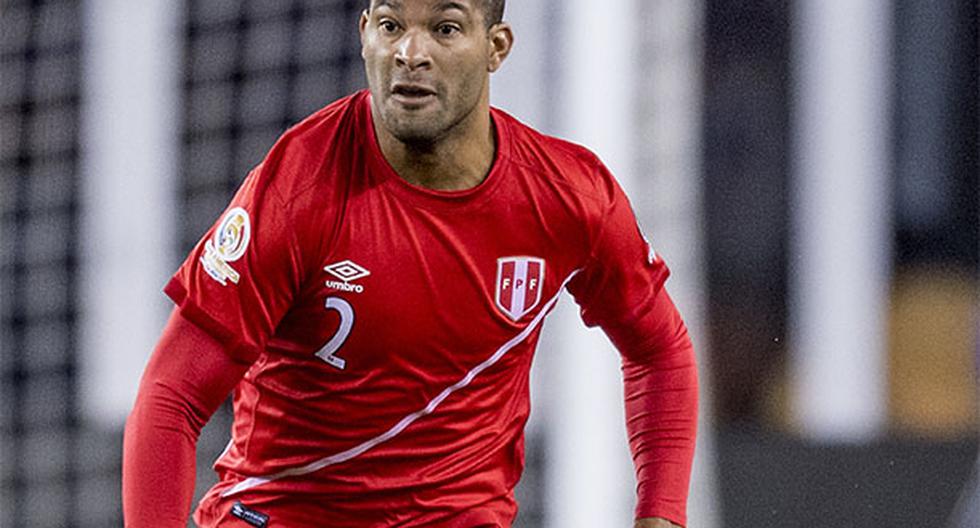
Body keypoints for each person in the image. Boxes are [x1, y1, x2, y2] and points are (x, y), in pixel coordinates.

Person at [122, 1, 698, 526]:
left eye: (444, 29)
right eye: (391, 25)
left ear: (497, 47)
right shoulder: (298, 189)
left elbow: (660, 351)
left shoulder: (568, 197)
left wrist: (661, 514)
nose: (410, 53)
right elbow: (172, 396)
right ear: (364, 35)